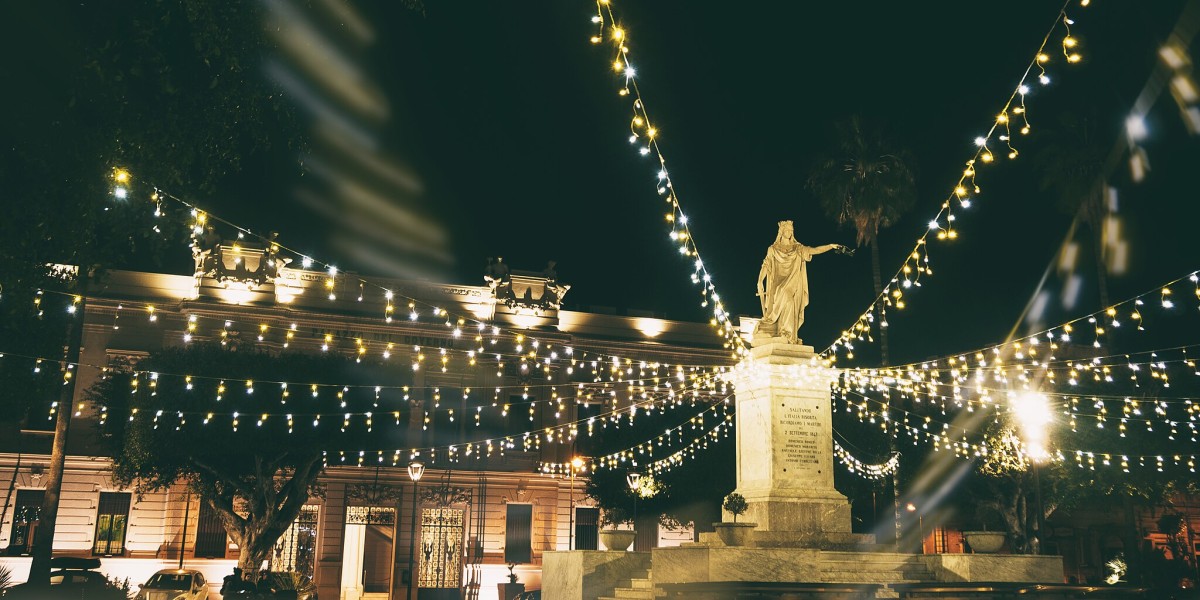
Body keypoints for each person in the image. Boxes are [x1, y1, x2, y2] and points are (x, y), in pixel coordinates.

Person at [754, 220, 851, 345]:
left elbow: (814, 250)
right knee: (783, 294)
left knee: (789, 301)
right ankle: (782, 332)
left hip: (793, 283)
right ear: (781, 232)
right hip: (778, 283)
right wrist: (760, 281)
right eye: (787, 230)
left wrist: (830, 246)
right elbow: (766, 265)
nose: (789, 232)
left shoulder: (797, 248)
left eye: (791, 230)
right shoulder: (773, 249)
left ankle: (786, 334)